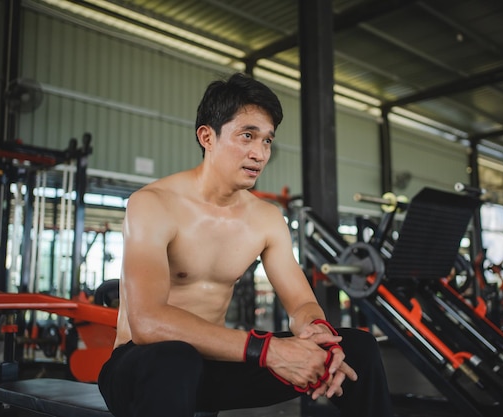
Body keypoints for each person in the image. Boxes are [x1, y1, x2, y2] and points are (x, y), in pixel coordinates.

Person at [98, 72, 393, 417]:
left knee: (358, 347)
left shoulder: (266, 219)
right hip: (141, 367)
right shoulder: (152, 204)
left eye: (267, 140)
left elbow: (300, 304)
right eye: (247, 136)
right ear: (207, 136)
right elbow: (148, 323)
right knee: (175, 356)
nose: (259, 153)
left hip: (212, 367)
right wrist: (271, 351)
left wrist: (318, 334)